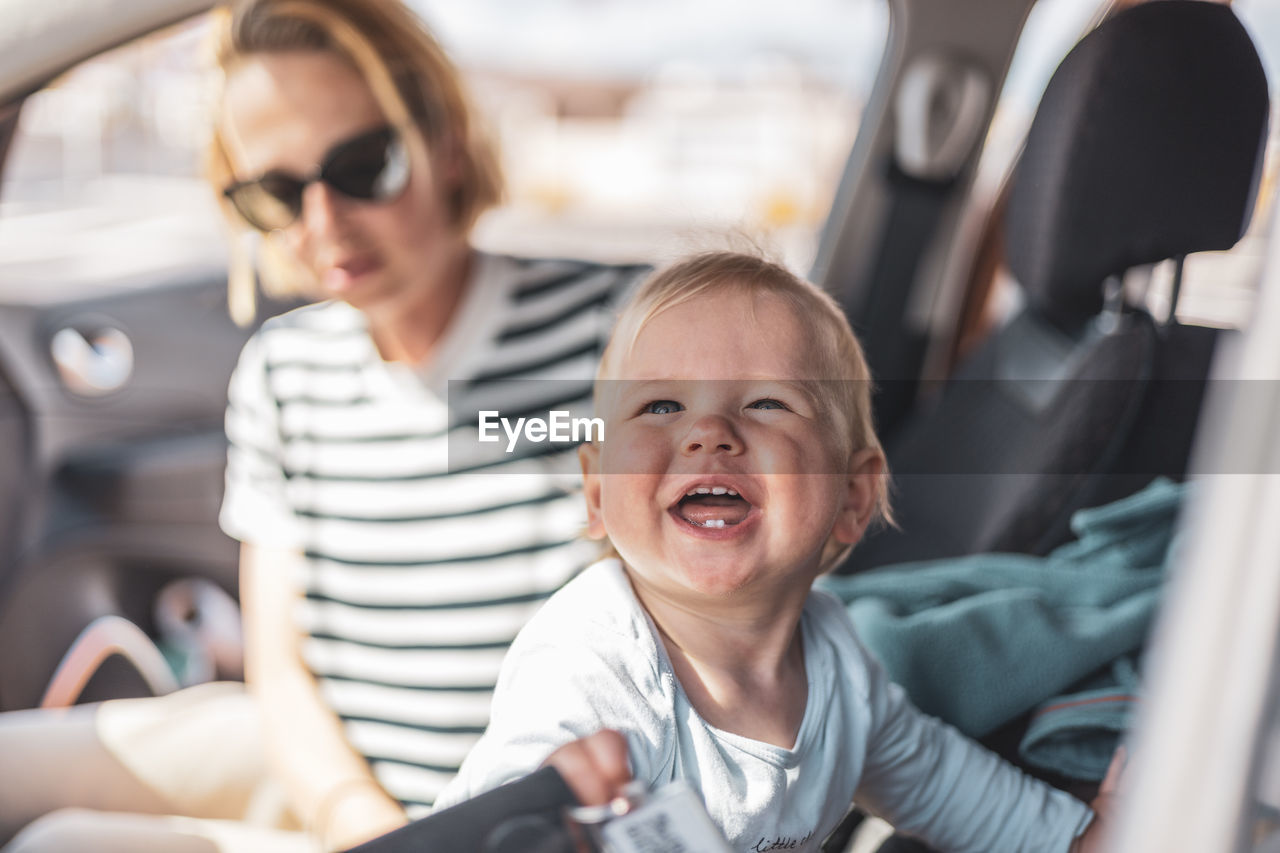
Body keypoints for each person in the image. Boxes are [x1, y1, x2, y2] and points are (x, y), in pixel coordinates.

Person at [0, 1, 645, 851]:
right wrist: (359, 821)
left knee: (61, 845)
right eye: (275, 192)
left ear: (447, 142)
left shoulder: (622, 329)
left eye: (363, 165)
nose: (324, 223)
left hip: (529, 816)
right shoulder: (283, 370)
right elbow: (283, 670)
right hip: (338, 775)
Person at [434, 251, 1116, 852]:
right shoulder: (595, 669)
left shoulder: (838, 663)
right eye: (661, 406)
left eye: (765, 403)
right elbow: (510, 817)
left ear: (853, 495)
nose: (709, 431)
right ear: (596, 491)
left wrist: (1078, 836)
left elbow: (944, 784)